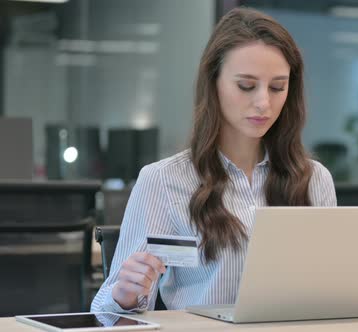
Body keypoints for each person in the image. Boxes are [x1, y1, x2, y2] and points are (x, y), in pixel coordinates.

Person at [91, 7, 337, 313]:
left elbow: (328, 291)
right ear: (214, 83)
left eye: (277, 87)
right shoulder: (165, 180)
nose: (264, 102)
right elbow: (104, 312)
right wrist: (124, 295)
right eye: (246, 86)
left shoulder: (315, 179)